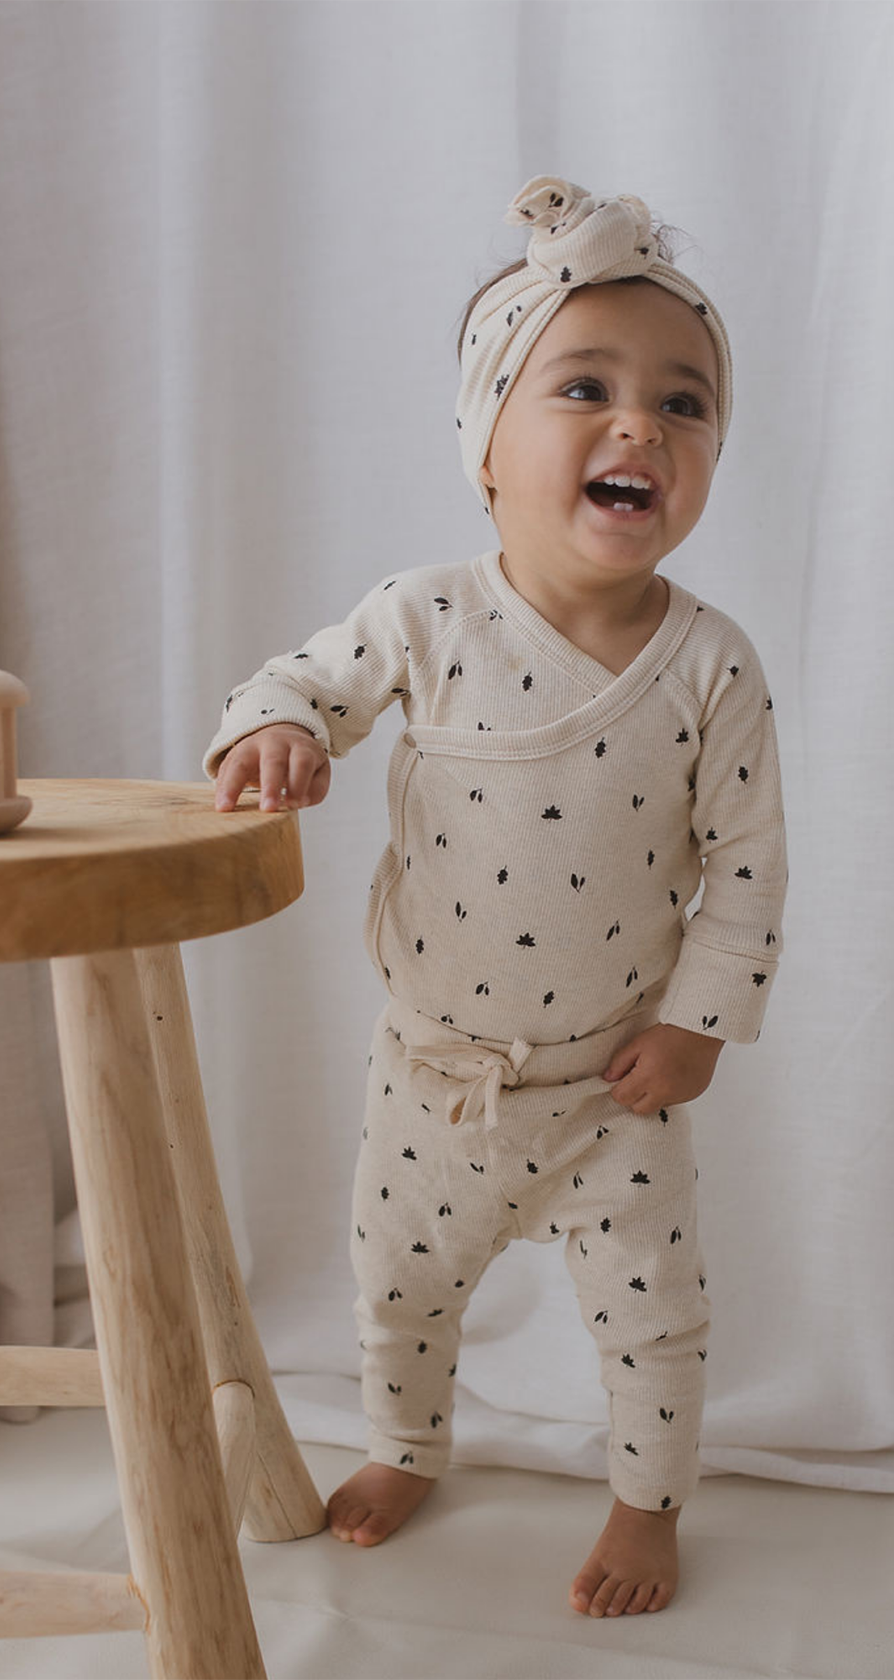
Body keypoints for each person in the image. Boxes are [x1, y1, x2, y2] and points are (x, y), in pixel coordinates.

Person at [205, 176, 787, 1619]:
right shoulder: (425, 616)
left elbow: (751, 865)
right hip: (435, 1078)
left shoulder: (713, 664)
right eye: (583, 386)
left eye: (685, 402)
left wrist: (703, 1024)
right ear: (484, 448)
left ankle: (647, 1508)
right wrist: (275, 732)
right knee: (398, 1290)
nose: (640, 424)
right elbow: (300, 684)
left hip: (614, 1084)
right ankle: (409, 1443)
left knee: (656, 1319)